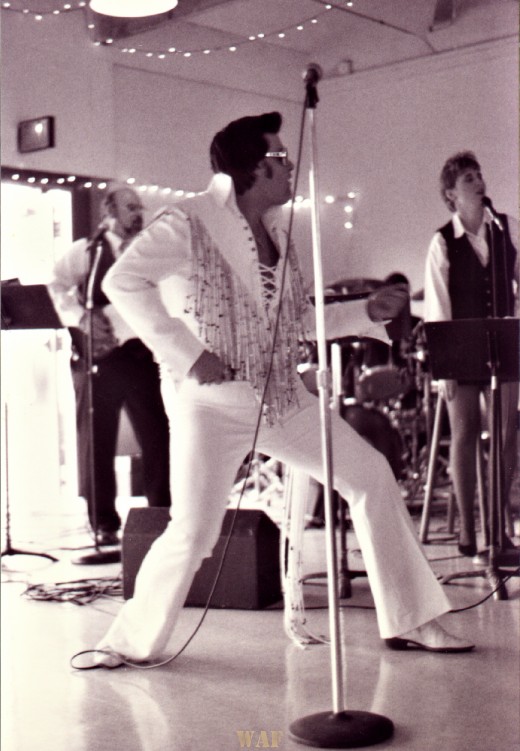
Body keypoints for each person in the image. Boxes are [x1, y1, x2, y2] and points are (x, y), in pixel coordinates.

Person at [90, 113, 473, 667]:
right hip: (210, 408)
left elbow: (297, 318)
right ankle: (126, 643)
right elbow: (120, 281)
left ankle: (412, 618)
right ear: (254, 168)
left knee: (370, 475)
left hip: (285, 402)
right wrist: (188, 354)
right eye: (282, 159)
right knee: (193, 533)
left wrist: (366, 310)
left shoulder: (277, 233)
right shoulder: (187, 221)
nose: (291, 167)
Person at [48, 187, 171, 545]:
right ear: (109, 212)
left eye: (139, 208)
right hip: (99, 359)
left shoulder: (149, 249)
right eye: (131, 207)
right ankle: (103, 522)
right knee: (96, 440)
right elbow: (57, 285)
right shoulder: (85, 251)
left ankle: (160, 513)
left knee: (157, 435)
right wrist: (80, 318)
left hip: (141, 357)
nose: (138, 213)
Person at [424, 151, 519, 557]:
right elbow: (437, 303)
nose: (478, 182)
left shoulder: (508, 228)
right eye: (467, 179)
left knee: (505, 434)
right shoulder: (442, 241)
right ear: (451, 195)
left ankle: (498, 529)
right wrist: (443, 368)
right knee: (463, 435)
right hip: (461, 348)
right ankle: (466, 528)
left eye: (478, 174)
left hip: (506, 344)